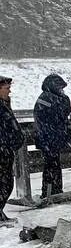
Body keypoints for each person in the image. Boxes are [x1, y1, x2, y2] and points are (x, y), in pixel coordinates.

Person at [33, 74, 71, 201]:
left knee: (53, 165)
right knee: (51, 165)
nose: (62, 90)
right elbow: (60, 113)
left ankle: (53, 191)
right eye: (60, 87)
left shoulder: (51, 97)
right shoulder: (46, 98)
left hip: (51, 136)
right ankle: (50, 192)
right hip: (49, 137)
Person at [0, 75, 23, 223]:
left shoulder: (4, 104)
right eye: (6, 88)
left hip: (6, 149)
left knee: (6, 182)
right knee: (4, 182)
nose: (9, 91)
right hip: (3, 149)